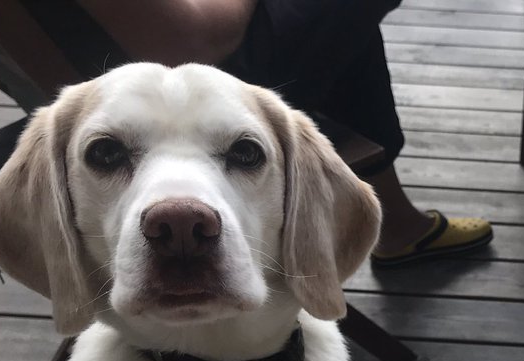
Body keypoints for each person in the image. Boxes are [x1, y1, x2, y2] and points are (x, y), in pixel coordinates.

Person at [77, 0, 493, 267]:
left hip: (103, 62)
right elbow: (192, 39)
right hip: (190, 79)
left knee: (339, 29)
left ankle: (396, 221)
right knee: (344, 18)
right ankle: (396, 227)